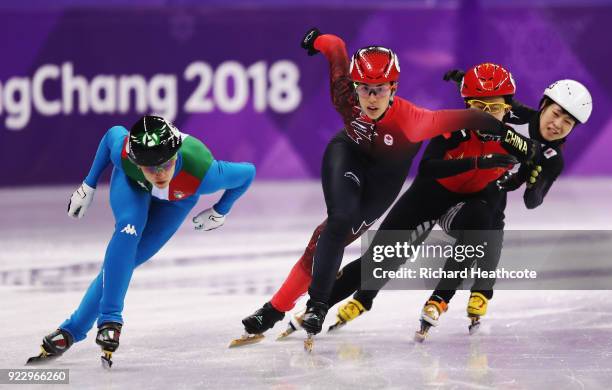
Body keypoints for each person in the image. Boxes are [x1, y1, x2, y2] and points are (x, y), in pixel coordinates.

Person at [236, 29, 519, 347]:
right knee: (336, 223)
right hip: (347, 156)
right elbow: (337, 49)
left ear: (393, 88)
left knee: (339, 240)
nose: (372, 98)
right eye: (365, 90)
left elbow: (473, 117)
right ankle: (301, 308)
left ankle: (292, 307)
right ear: (355, 87)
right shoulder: (345, 95)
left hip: (381, 185)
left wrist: (523, 143)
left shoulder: (416, 121)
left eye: (380, 90)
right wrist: (316, 40)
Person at [327, 75, 593, 340]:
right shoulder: (516, 114)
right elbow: (485, 97)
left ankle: (462, 295)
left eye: (568, 122)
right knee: (393, 249)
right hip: (451, 176)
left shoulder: (553, 159)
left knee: (488, 225)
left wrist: (532, 182)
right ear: (544, 104)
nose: (557, 124)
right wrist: (464, 79)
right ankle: (358, 297)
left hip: (486, 191)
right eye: (556, 113)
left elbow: (532, 201)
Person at [27, 115, 256, 367]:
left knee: (123, 263)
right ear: (137, 160)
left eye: (165, 165)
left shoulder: (203, 171)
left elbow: (247, 173)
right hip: (133, 185)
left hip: (177, 200)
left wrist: (220, 210)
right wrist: (88, 185)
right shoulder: (125, 155)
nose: (158, 174)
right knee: (128, 229)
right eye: (150, 167)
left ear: (176, 153)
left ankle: (72, 330)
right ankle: (110, 319)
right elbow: (111, 134)